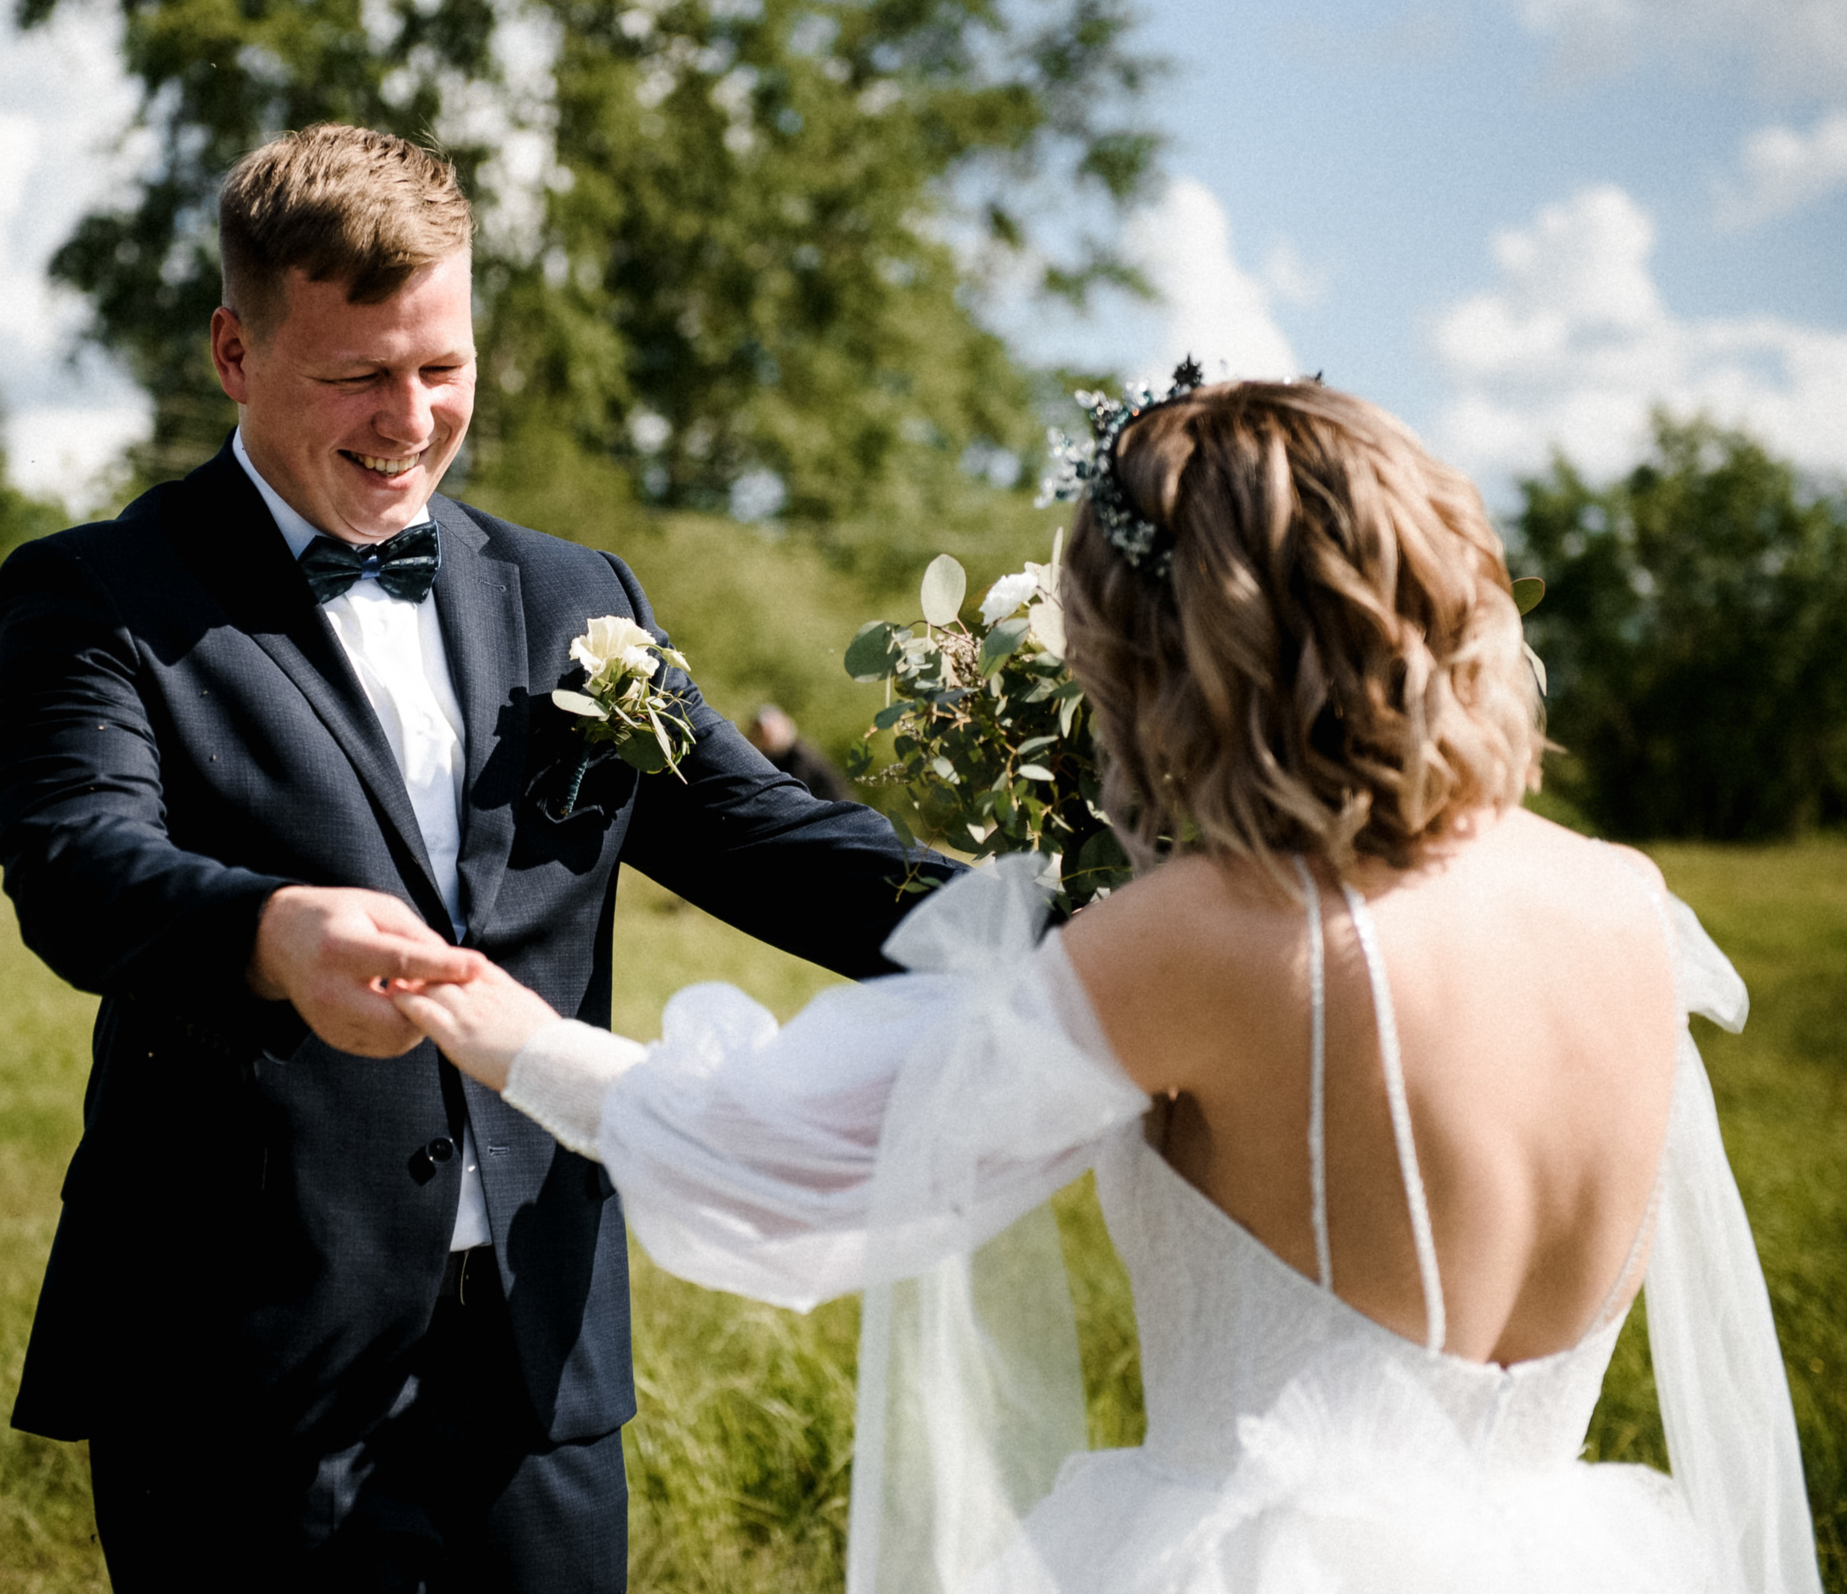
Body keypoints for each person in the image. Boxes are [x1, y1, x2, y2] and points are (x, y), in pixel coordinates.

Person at [390, 379, 1820, 1594]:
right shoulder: (1628, 900)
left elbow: (795, 1165)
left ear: (1173, 653)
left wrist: (508, 1031)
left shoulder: (1214, 933)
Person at [0, 124, 947, 1591]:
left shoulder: (574, 596)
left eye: (444, 367)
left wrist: (1074, 932)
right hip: (241, 1350)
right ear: (235, 353)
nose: (411, 417)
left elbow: (767, 840)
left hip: (536, 1354)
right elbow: (76, 862)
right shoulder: (100, 595)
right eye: (357, 374)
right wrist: (269, 932)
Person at [747, 704, 855, 802]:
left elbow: (792, 794)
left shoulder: (799, 758)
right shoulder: (771, 756)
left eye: (766, 731)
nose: (760, 736)